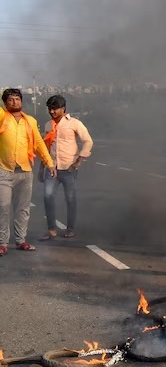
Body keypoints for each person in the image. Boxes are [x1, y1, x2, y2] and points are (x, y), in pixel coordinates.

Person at [0, 88, 56, 256]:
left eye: (17, 99)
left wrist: (49, 163)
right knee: (3, 206)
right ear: (5, 103)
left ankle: (20, 240)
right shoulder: (2, 117)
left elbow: (39, 143)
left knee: (23, 208)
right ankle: (2, 243)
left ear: (22, 101)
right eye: (10, 99)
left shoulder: (30, 121)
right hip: (4, 170)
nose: (14, 102)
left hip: (25, 171)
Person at [38, 95, 94, 240]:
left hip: (69, 168)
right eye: (49, 108)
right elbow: (46, 147)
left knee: (70, 198)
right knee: (47, 196)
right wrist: (41, 167)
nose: (52, 111)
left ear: (63, 108)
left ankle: (70, 228)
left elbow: (88, 141)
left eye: (55, 108)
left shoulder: (74, 123)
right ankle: (51, 229)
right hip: (51, 168)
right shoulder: (47, 125)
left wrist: (79, 160)